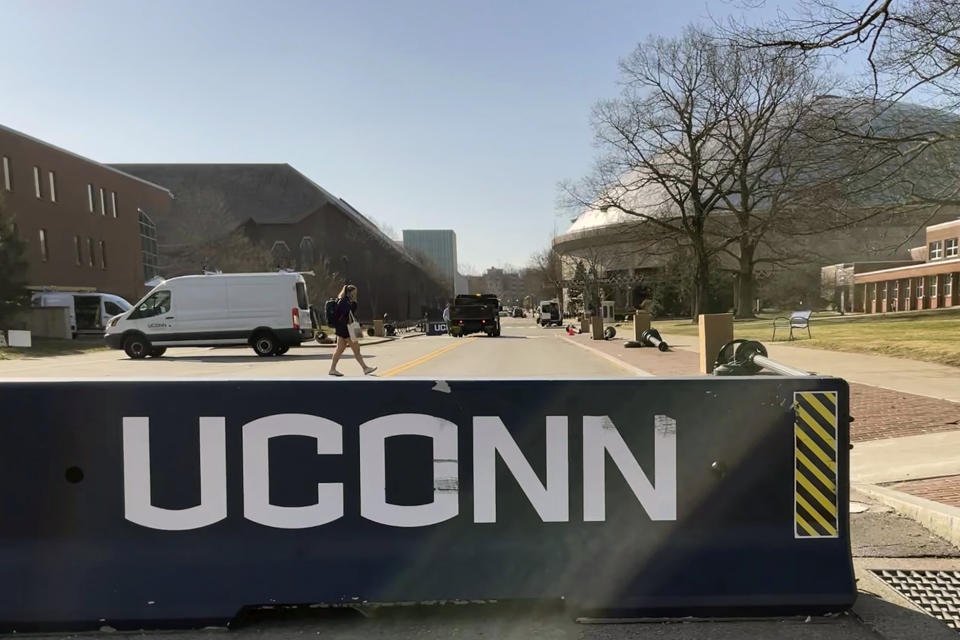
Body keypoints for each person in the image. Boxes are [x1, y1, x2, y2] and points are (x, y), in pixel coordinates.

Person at [329, 284, 377, 377]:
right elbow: (347, 314)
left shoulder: (345, 301)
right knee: (356, 350)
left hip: (342, 329)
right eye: (354, 292)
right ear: (349, 292)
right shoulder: (344, 302)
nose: (355, 294)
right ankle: (365, 368)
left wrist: (353, 302)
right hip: (347, 329)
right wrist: (353, 303)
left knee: (339, 350)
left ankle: (332, 369)